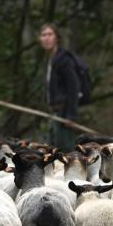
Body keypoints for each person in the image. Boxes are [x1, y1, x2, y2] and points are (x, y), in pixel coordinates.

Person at [39, 23, 80, 151]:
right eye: (43, 35)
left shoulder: (64, 59)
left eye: (50, 34)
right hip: (54, 112)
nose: (46, 38)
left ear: (57, 38)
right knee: (52, 150)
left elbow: (74, 87)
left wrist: (71, 115)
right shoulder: (51, 60)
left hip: (63, 114)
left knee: (65, 152)